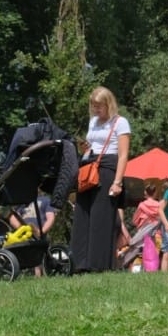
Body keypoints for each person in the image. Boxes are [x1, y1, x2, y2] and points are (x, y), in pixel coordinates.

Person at [72, 86, 131, 273]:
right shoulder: (93, 122)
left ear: (109, 104)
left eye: (99, 105)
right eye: (93, 105)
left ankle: (99, 265)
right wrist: (85, 149)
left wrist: (117, 182)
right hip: (89, 168)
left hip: (107, 170)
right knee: (82, 215)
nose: (96, 109)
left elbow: (123, 155)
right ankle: (80, 264)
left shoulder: (120, 122)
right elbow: (93, 146)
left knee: (101, 218)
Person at [129, 184, 163, 272]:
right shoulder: (159, 205)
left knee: (142, 252)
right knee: (154, 253)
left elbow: (135, 220)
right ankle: (152, 270)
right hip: (156, 233)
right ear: (155, 193)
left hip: (143, 233)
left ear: (146, 193)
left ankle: (139, 270)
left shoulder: (142, 205)